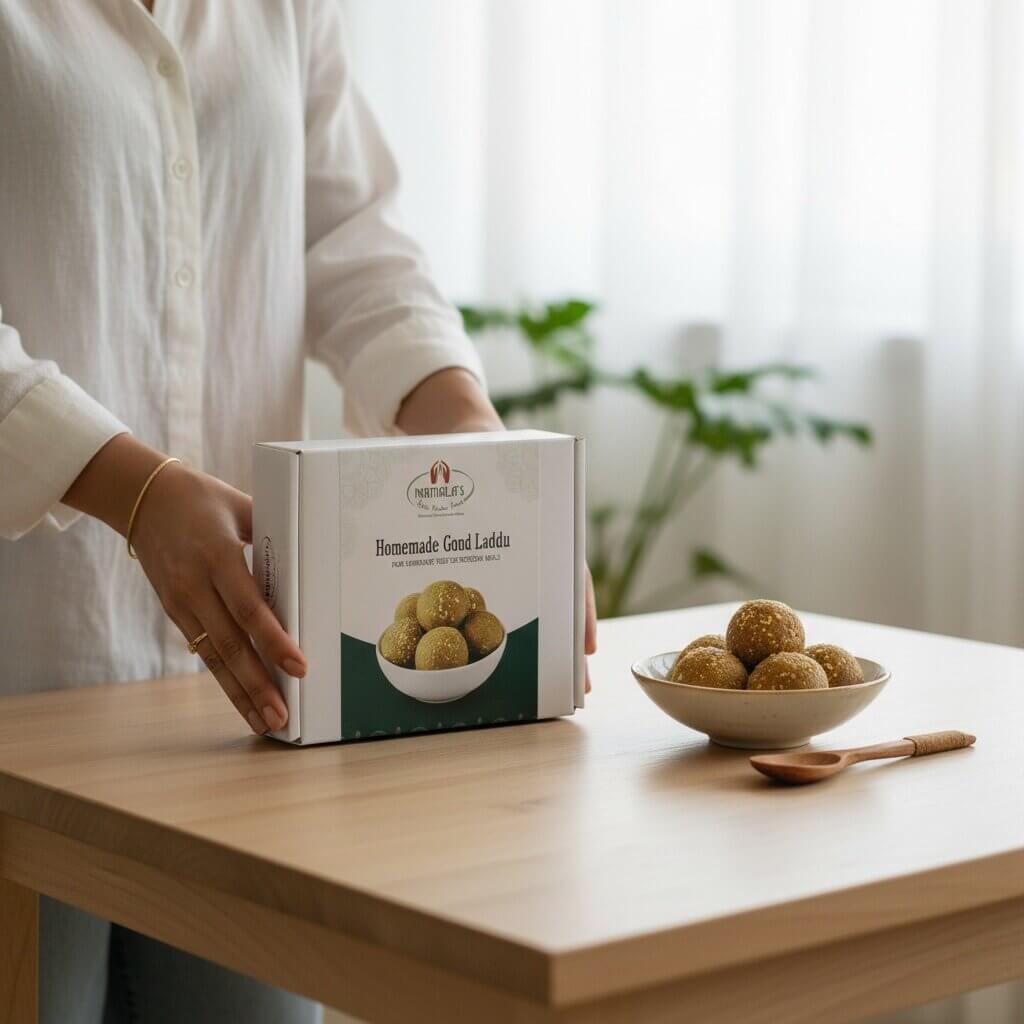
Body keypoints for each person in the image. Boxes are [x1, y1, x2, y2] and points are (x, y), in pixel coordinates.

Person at [0, 2, 597, 1021]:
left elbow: (347, 236)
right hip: (22, 703)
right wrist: (128, 484)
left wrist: (473, 438)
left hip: (243, 715)